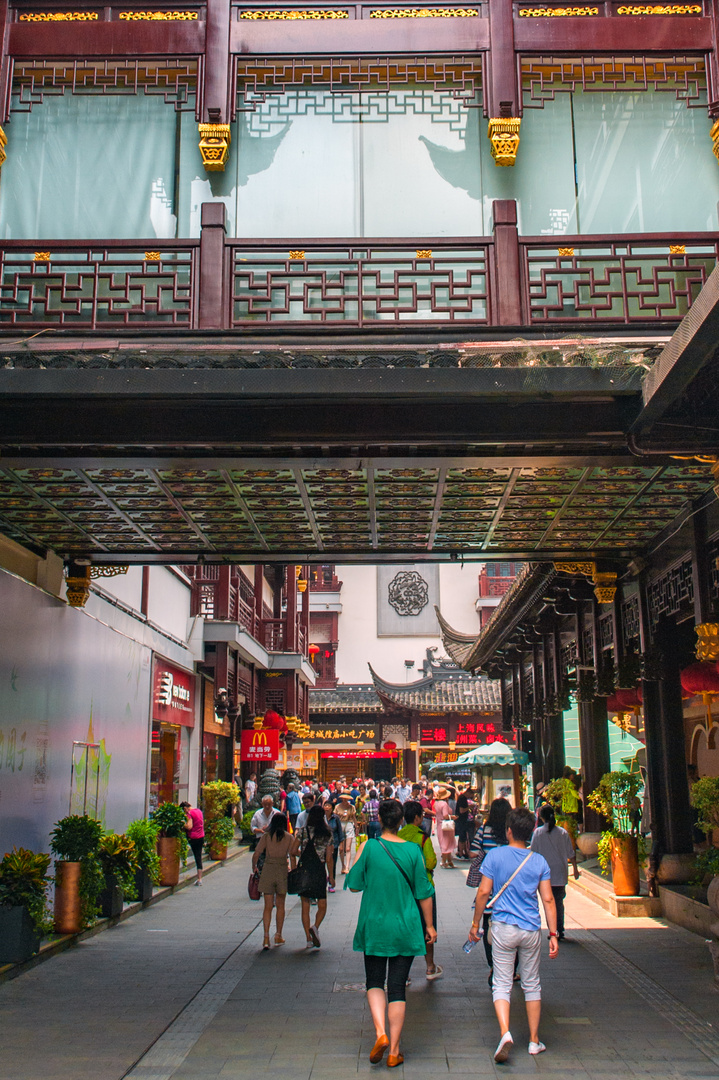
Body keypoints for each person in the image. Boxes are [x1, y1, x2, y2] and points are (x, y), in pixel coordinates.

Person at [346, 799, 437, 1068]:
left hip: (374, 925)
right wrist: (429, 926)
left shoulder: (370, 847)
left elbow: (353, 885)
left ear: (379, 820)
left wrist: (359, 856)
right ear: (400, 822)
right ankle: (395, 1050)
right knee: (397, 987)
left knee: (374, 982)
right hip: (406, 926)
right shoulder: (412, 850)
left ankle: (380, 1033)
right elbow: (424, 892)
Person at [469, 807, 558, 1064]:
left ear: (508, 831)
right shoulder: (538, 861)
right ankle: (533, 1040)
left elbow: (483, 893)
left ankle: (505, 1032)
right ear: (531, 832)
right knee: (531, 984)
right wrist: (553, 934)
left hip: (503, 927)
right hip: (530, 929)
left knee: (502, 983)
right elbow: (549, 899)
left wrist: (476, 924)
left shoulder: (495, 856)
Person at [398, 800, 442, 981]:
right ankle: (430, 967)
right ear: (417, 818)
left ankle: (404, 974)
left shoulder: (398, 836)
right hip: (423, 887)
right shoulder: (422, 837)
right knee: (427, 927)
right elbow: (431, 861)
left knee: (405, 927)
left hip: (402, 888)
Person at [470, 796, 512, 983]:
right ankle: (510, 968)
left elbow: (472, 852)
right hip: (511, 891)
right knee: (512, 928)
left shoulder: (484, 830)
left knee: (488, 929)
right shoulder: (512, 832)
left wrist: (485, 855)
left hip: (490, 887)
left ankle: (494, 966)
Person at [530, 804, 578, 940]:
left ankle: (553, 929)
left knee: (548, 901)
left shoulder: (538, 833)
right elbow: (571, 853)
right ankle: (559, 928)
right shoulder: (563, 832)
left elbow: (533, 853)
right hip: (560, 871)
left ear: (541, 817)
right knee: (558, 901)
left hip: (544, 873)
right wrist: (575, 869)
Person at [291, 804, 335, 948]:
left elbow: (292, 850)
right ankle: (315, 927)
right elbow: (329, 858)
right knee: (322, 903)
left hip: (305, 870)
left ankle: (308, 939)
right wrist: (332, 877)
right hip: (319, 871)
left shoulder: (303, 831)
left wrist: (301, 855)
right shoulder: (328, 833)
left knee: (305, 904)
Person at [252, 812, 293, 949]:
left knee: (268, 906)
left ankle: (265, 938)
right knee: (280, 905)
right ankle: (278, 935)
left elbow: (257, 853)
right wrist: (293, 869)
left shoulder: (266, 836)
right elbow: (293, 854)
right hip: (281, 869)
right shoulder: (288, 837)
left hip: (268, 869)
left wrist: (254, 867)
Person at [180, 801, 204, 886]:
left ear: (185, 808)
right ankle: (200, 878)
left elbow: (189, 826)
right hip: (201, 836)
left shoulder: (189, 814)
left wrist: (183, 824)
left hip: (193, 837)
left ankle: (199, 879)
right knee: (199, 857)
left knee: (196, 856)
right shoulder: (199, 811)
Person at [335, 790, 359, 873]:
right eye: (344, 799)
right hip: (340, 824)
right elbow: (335, 818)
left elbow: (354, 818)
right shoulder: (337, 807)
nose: (345, 800)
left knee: (348, 848)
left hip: (349, 823)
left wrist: (356, 827)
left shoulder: (351, 807)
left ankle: (347, 866)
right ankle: (343, 865)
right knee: (341, 848)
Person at [433, 786, 456, 868]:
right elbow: (445, 815)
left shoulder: (437, 804)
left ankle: (449, 861)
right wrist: (453, 817)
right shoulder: (444, 804)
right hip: (446, 825)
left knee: (444, 842)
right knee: (446, 843)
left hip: (440, 825)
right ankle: (443, 861)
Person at [324, 799, 343, 891]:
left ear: (332, 808)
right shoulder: (321, 818)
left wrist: (341, 844)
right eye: (325, 805)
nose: (327, 808)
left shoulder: (335, 818)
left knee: (333, 864)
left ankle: (332, 883)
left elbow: (339, 831)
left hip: (334, 844)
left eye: (329, 806)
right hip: (323, 845)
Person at [455, 791, 472, 860]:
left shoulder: (462, 798)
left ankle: (464, 851)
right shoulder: (462, 798)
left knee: (463, 836)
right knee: (462, 836)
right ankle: (461, 852)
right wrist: (469, 807)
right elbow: (461, 810)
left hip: (462, 820)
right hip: (461, 820)